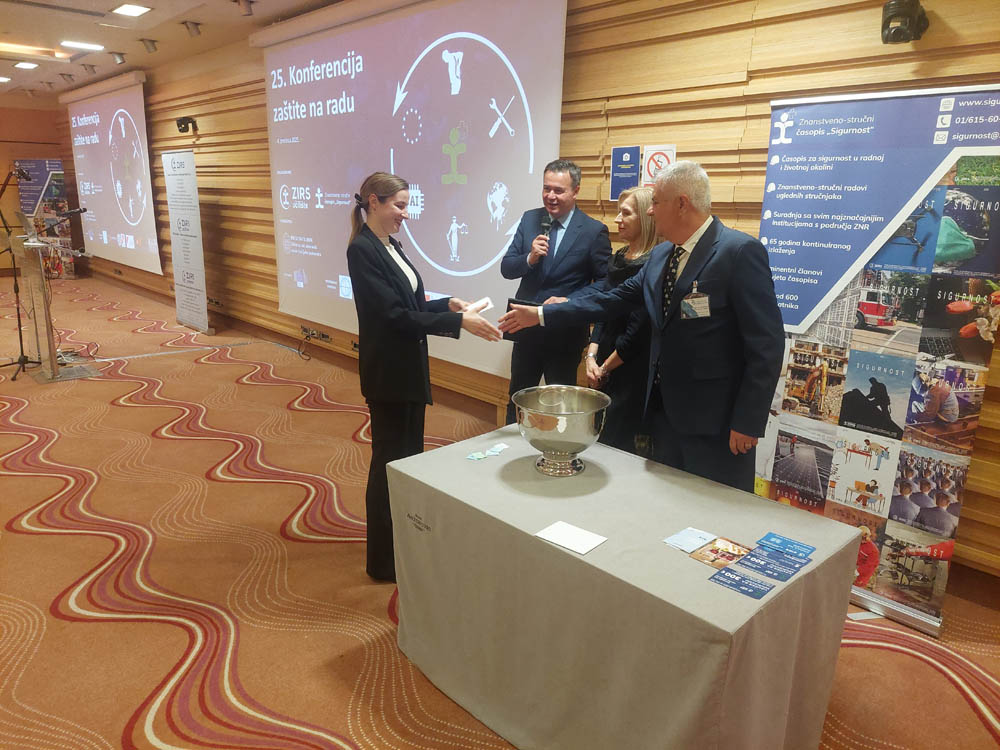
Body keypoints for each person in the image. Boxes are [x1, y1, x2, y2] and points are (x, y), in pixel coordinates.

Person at [499, 161, 785, 492]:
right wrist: (542, 314)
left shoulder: (738, 252)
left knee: (717, 508)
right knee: (666, 503)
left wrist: (748, 420)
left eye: (656, 202)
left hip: (717, 423)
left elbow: (766, 344)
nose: (650, 211)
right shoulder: (662, 256)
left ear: (682, 204)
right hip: (663, 415)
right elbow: (611, 299)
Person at [346, 171, 500, 582]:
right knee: (389, 465)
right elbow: (392, 317)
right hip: (389, 375)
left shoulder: (390, 245)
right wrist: (458, 322)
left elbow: (408, 305)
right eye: (399, 206)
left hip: (408, 370)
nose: (405, 214)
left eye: (407, 205)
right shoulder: (362, 250)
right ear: (374, 202)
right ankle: (383, 561)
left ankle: (402, 548)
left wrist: (446, 305)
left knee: (406, 462)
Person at [500, 158, 612, 423]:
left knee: (561, 406)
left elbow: (605, 284)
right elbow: (507, 268)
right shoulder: (530, 219)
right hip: (525, 329)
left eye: (558, 190)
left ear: (576, 191)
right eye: (546, 188)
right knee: (518, 399)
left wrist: (568, 300)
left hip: (564, 333)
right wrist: (529, 258)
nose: (550, 196)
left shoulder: (593, 231)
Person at [583, 186, 657, 454]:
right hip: (602, 364)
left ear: (645, 218)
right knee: (597, 438)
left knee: (620, 444)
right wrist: (591, 357)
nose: (617, 220)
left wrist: (604, 368)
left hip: (629, 369)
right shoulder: (617, 257)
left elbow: (637, 333)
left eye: (625, 213)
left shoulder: (653, 264)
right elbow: (604, 310)